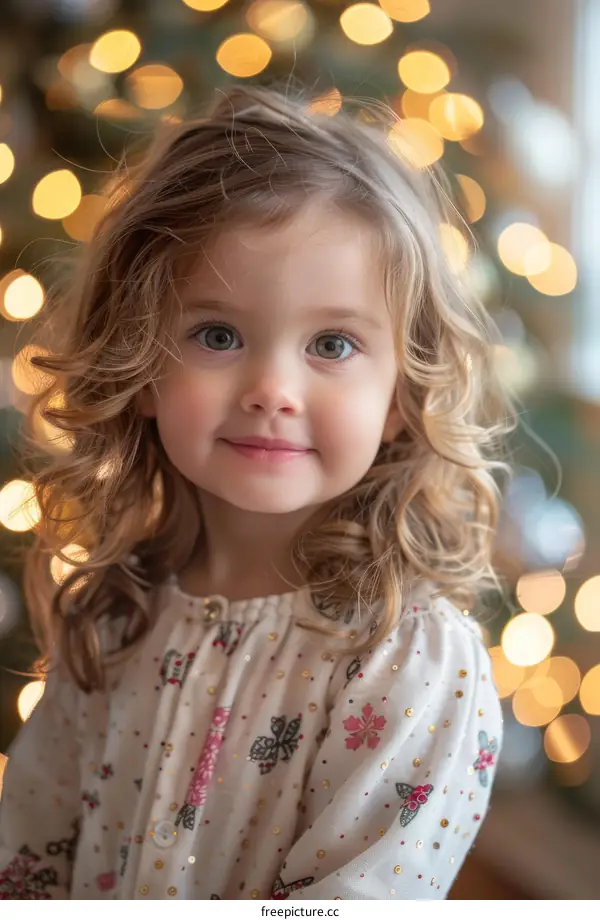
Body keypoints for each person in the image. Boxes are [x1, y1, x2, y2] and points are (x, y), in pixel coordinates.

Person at [0, 83, 515, 900]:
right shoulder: (111, 614)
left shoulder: (409, 660)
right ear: (139, 366)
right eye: (217, 335)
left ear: (402, 398)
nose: (272, 387)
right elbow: (30, 857)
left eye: (333, 343)